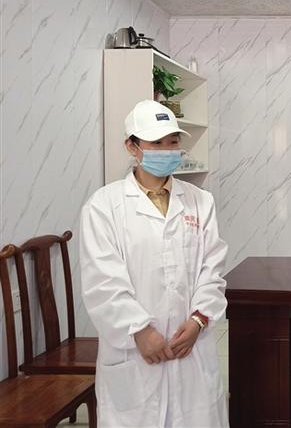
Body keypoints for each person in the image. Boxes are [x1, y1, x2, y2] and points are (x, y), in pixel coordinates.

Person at [80, 100, 228, 427]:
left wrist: (199, 320)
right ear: (132, 147)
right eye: (156, 142)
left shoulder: (200, 202)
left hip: (190, 348)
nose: (167, 150)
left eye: (172, 142)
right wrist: (140, 331)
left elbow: (212, 270)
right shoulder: (103, 206)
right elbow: (102, 282)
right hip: (134, 355)